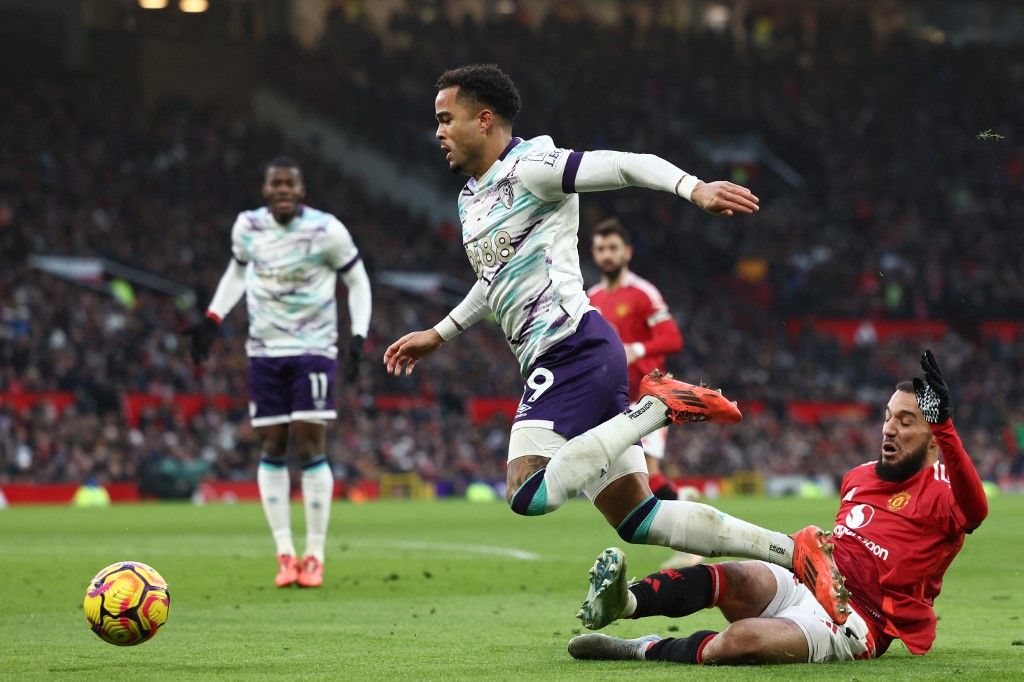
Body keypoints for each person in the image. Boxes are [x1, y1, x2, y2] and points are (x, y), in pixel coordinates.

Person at [382, 64, 847, 622]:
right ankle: (793, 549)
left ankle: (658, 407)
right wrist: (440, 333)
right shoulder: (470, 199)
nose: (437, 131)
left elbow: (626, 164)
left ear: (484, 120)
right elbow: (493, 282)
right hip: (568, 355)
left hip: (571, 348)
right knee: (640, 519)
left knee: (527, 494)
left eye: (444, 118)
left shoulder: (534, 167)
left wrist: (693, 188)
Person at [568, 350, 988, 665]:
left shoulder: (945, 491)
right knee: (732, 576)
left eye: (906, 421)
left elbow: (976, 511)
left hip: (858, 621)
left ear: (934, 437)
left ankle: (644, 649)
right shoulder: (859, 476)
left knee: (742, 641)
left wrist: (948, 428)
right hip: (811, 579)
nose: (889, 429)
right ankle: (626, 603)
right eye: (887, 417)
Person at [185, 157, 372, 588]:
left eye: (291, 183)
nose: (284, 189)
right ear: (266, 190)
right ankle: (285, 553)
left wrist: (358, 337)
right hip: (264, 352)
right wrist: (213, 318)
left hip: (313, 348)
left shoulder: (327, 230)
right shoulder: (247, 227)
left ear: (301, 191)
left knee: (309, 441)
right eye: (277, 183)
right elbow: (236, 270)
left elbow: (358, 281)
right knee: (272, 443)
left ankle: (315, 555)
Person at [588, 217, 700, 569]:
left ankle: (692, 537)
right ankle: (684, 502)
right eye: (601, 249)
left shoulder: (643, 294)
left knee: (647, 476)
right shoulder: (591, 298)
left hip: (648, 398)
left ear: (627, 252)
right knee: (636, 485)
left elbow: (673, 338)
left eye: (613, 248)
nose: (606, 255)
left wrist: (636, 348)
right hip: (612, 402)